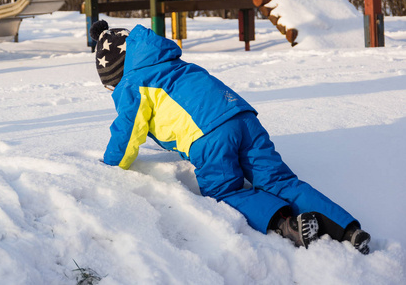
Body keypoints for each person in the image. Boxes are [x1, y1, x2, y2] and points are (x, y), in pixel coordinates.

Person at [90, 20, 371, 254]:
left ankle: (287, 225)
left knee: (224, 189)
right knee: (280, 180)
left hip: (209, 136)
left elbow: (127, 131)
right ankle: (348, 230)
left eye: (111, 87)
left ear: (115, 74)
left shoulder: (132, 83)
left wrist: (111, 166)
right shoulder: (170, 62)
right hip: (243, 117)